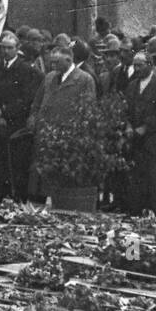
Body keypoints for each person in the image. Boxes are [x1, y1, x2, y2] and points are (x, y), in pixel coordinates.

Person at [27, 42, 97, 200]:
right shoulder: (49, 77)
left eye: (56, 62)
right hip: (44, 135)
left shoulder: (85, 80)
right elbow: (37, 103)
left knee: (62, 181)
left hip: (66, 139)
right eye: (51, 62)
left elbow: (89, 110)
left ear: (68, 60)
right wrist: (33, 118)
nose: (52, 65)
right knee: (40, 180)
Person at [123, 48, 156, 217]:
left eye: (140, 65)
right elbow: (125, 111)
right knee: (137, 189)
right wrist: (128, 126)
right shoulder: (132, 86)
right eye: (135, 66)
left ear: (150, 65)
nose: (137, 69)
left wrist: (145, 127)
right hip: (136, 147)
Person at [0, 29, 42, 199]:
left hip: (16, 125)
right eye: (3, 48)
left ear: (17, 49)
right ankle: (0, 195)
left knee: (18, 165)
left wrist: (4, 112)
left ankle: (18, 198)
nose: (5, 51)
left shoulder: (26, 70)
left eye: (9, 48)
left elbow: (27, 99)